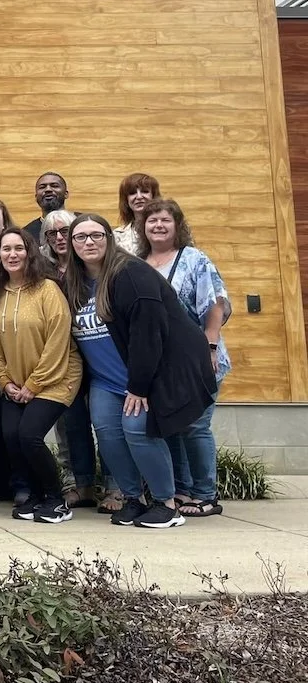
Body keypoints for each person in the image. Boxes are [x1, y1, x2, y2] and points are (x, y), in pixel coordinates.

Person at [63, 213, 217, 529]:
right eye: (81, 237)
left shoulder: (131, 274)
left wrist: (140, 386)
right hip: (106, 380)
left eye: (96, 235)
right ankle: (132, 499)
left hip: (143, 377)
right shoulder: (74, 283)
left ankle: (166, 503)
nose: (89, 242)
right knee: (107, 432)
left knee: (137, 431)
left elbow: (148, 335)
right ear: (71, 244)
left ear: (109, 239)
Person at [138, 198, 232, 517]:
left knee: (195, 425)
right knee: (172, 426)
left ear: (177, 225)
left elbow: (215, 303)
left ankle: (205, 494)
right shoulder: (138, 263)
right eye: (152, 221)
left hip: (198, 358)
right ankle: (180, 491)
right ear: (143, 227)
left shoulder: (193, 259)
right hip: (162, 365)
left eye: (165, 220)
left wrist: (210, 347)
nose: (159, 226)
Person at [0, 229, 83, 524]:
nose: (12, 255)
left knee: (29, 435)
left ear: (29, 253)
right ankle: (36, 495)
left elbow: (58, 341)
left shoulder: (47, 290)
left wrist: (33, 385)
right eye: (6, 249)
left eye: (19, 248)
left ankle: (56, 499)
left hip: (55, 379)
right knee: (12, 436)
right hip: (14, 383)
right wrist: (5, 382)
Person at [41, 209, 103, 510]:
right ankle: (81, 485)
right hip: (65, 357)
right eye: (51, 234)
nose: (58, 238)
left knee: (106, 424)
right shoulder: (45, 269)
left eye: (64, 231)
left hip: (100, 354)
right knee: (70, 424)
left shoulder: (93, 267)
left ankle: (117, 487)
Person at [113, 172, 161, 254]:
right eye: (132, 193)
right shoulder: (117, 236)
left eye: (145, 191)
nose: (139, 197)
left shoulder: (169, 229)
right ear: (126, 200)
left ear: (154, 196)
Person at [23, 173, 69, 241]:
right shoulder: (26, 234)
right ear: (36, 197)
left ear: (66, 194)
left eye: (54, 186)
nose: (48, 189)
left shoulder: (83, 223)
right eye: (42, 187)